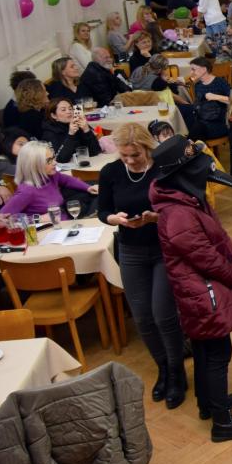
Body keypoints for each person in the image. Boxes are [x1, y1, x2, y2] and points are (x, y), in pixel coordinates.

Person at [150, 135, 232, 442]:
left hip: (201, 290)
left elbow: (219, 238)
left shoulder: (187, 200)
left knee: (204, 349)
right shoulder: (178, 214)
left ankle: (210, 403)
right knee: (216, 352)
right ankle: (223, 423)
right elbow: (206, 257)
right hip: (200, 292)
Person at [98, 124, 186, 408]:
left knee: (164, 315)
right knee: (143, 318)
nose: (129, 161)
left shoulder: (164, 169)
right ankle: (163, 368)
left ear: (147, 148)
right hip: (131, 250)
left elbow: (183, 209)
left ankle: (177, 372)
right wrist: (114, 219)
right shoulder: (111, 172)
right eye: (124, 156)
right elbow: (103, 210)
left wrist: (156, 217)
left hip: (164, 248)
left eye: (135, 155)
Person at [0, 141, 97, 216]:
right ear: (34, 165)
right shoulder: (27, 191)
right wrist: (38, 219)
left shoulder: (50, 175)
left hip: (65, 222)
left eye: (53, 158)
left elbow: (67, 180)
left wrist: (88, 187)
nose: (55, 163)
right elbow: (2, 218)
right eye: (49, 160)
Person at [178, 57, 231, 141]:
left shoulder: (220, 82)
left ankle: (189, 145)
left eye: (193, 69)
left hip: (217, 124)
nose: (191, 73)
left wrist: (215, 97)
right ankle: (191, 145)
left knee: (196, 128)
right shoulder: (198, 85)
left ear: (204, 69)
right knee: (181, 110)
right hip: (202, 121)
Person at [41, 98, 101, 164]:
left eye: (70, 109)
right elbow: (59, 160)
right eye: (63, 110)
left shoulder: (78, 123)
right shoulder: (50, 133)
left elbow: (95, 151)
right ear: (54, 116)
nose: (69, 112)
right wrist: (71, 135)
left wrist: (86, 130)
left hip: (83, 163)